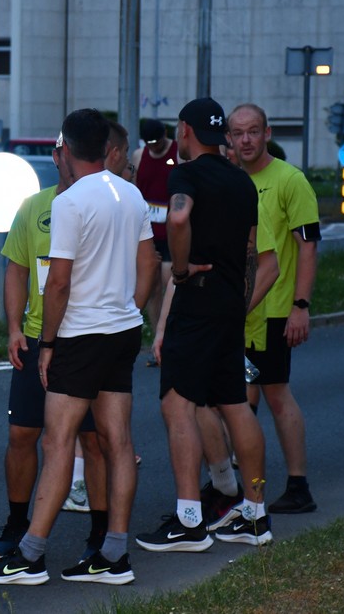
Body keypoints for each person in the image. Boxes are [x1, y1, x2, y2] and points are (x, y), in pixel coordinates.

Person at [0, 108, 155, 586]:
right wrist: (130, 311)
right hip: (121, 331)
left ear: (67, 151)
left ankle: (29, 555)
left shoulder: (71, 203)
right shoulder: (130, 194)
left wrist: (46, 344)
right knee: (118, 442)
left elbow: (59, 284)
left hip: (80, 333)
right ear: (107, 148)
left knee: (56, 443)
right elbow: (147, 264)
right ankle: (114, 553)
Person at [135, 97, 272, 553]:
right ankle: (255, 514)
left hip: (195, 302)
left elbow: (177, 217)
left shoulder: (185, 174)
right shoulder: (242, 181)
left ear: (186, 131)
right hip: (233, 303)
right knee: (234, 403)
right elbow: (251, 250)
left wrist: (178, 269)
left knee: (177, 406)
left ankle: (189, 521)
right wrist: (240, 296)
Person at [0, 133, 108, 568]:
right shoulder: (34, 206)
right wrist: (15, 327)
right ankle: (17, 525)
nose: (68, 160)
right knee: (22, 435)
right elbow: (16, 270)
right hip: (38, 338)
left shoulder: (104, 202)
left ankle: (100, 532)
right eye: (63, 153)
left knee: (93, 441)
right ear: (57, 157)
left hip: (87, 337)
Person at [228, 102, 321, 514]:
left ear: (267, 134)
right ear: (228, 138)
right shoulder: (231, 181)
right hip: (237, 313)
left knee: (275, 394)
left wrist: (301, 305)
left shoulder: (290, 180)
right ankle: (238, 487)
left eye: (253, 132)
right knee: (237, 398)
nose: (245, 140)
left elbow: (308, 246)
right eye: (237, 133)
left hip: (276, 310)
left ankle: (297, 486)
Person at [131, 119, 178, 365]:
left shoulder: (177, 153)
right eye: (150, 143)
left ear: (165, 135)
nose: (154, 147)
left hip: (172, 230)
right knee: (151, 287)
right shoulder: (140, 156)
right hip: (148, 230)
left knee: (167, 278)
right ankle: (158, 339)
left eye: (157, 142)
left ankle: (169, 337)